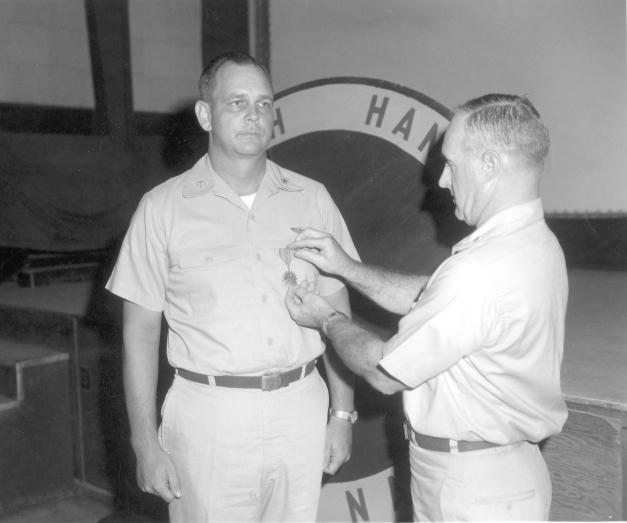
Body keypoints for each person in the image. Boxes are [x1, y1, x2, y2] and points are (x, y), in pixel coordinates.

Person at [285, 93, 568, 521]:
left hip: (470, 488)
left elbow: (383, 372)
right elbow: (435, 298)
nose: (442, 180)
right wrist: (346, 268)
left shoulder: (479, 271)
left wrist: (326, 318)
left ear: (489, 164)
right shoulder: (535, 245)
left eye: (451, 164)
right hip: (503, 475)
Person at [106, 51, 358, 522]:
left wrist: (342, 414)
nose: (253, 116)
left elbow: (336, 311)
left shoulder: (312, 199)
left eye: (264, 104)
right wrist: (144, 443)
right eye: (237, 102)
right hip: (209, 417)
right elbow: (138, 332)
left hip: (300, 408)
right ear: (205, 115)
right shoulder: (162, 209)